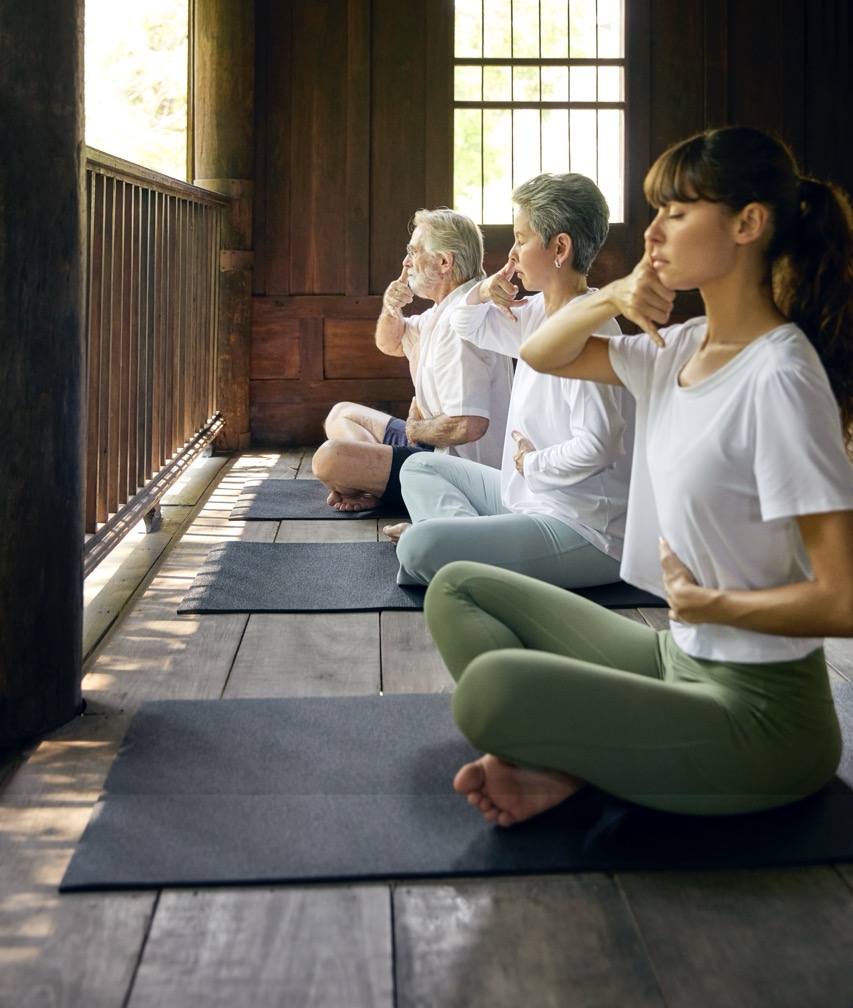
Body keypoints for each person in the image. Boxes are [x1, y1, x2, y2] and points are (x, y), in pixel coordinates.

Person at [424, 126, 853, 826]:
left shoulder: (779, 373)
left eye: (676, 213)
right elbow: (541, 352)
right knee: (458, 588)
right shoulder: (676, 346)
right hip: (675, 655)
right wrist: (609, 295)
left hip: (761, 716)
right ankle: (578, 760)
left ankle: (574, 760)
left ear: (747, 223)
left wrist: (715, 607)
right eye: (654, 212)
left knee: (492, 693)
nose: (653, 232)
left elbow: (842, 600)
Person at [390, 173, 634, 593]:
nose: (513, 253)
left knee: (417, 547)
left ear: (560, 248)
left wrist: (530, 464)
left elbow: (601, 444)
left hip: (584, 530)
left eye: (521, 239)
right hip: (526, 500)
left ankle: (454, 548)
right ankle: (466, 546)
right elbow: (463, 323)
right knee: (419, 466)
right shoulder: (537, 313)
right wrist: (484, 290)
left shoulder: (590, 330)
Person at [312, 208, 513, 514]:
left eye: (414, 251)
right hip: (429, 441)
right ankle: (372, 483)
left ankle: (373, 483)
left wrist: (415, 430)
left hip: (454, 470)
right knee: (342, 414)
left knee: (329, 459)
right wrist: (391, 308)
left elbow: (469, 426)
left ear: (444, 262)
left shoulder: (463, 321)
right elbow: (390, 343)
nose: (406, 262)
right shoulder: (441, 310)